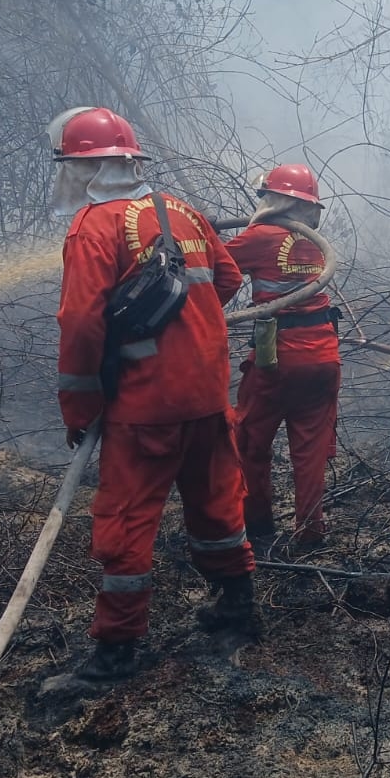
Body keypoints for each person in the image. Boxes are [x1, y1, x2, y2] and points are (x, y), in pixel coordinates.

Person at [50, 106, 255, 681]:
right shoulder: (181, 210)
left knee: (127, 520)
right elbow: (231, 279)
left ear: (81, 169)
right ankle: (238, 606)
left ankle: (116, 650)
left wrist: (81, 405)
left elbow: (80, 323)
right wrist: (195, 328)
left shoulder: (94, 226)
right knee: (217, 503)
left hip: (145, 408)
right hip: (209, 395)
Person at [224, 164, 341, 552]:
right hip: (323, 356)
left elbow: (214, 269)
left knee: (250, 440)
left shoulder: (261, 235)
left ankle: (257, 527)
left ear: (274, 199)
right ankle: (310, 534)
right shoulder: (312, 241)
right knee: (309, 452)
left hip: (279, 359)